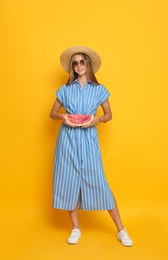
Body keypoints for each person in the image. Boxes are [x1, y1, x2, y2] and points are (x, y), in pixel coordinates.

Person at [50, 46, 133, 247]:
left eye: (82, 62)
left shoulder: (99, 90)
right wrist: (63, 116)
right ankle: (75, 228)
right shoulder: (65, 89)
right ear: (72, 67)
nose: (79, 65)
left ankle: (121, 230)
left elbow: (108, 115)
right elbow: (52, 113)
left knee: (99, 181)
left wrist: (96, 120)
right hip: (67, 140)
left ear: (88, 65)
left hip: (89, 139)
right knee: (68, 181)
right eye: (75, 63)